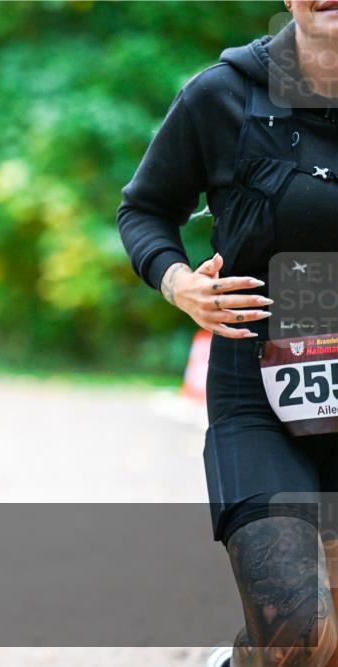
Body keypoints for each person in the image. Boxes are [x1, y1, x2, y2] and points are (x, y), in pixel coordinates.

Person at [118, 4, 337, 666]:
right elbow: (145, 208)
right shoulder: (225, 94)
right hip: (260, 392)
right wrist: (178, 281)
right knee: (295, 637)